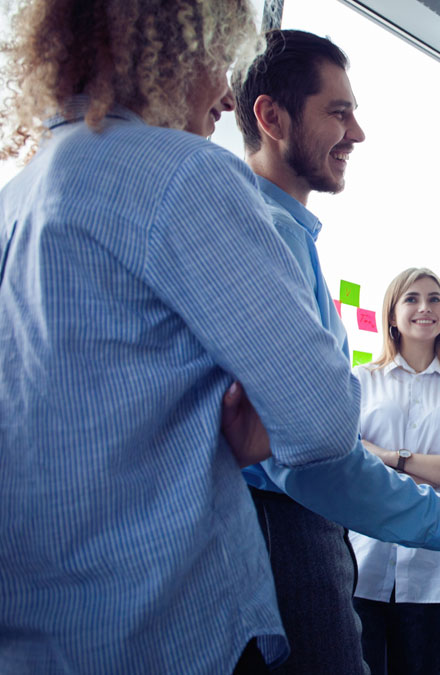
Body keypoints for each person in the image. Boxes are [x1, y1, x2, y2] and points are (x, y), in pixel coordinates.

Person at [0, 1, 363, 671]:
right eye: (215, 56)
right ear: (165, 45)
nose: (226, 91)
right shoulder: (184, 172)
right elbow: (323, 421)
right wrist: (262, 423)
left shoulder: (14, 202)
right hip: (169, 624)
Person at [225, 30, 440, 674]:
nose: (357, 132)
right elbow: (319, 457)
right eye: (338, 111)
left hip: (320, 535)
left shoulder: (283, 239)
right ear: (271, 116)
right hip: (289, 534)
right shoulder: (266, 241)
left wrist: (390, 461)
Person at [349, 267, 440, 675]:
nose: (425, 307)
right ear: (392, 316)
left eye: (435, 299)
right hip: (363, 560)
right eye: (411, 299)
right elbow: (345, 457)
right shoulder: (361, 381)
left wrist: (393, 458)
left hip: (433, 569)